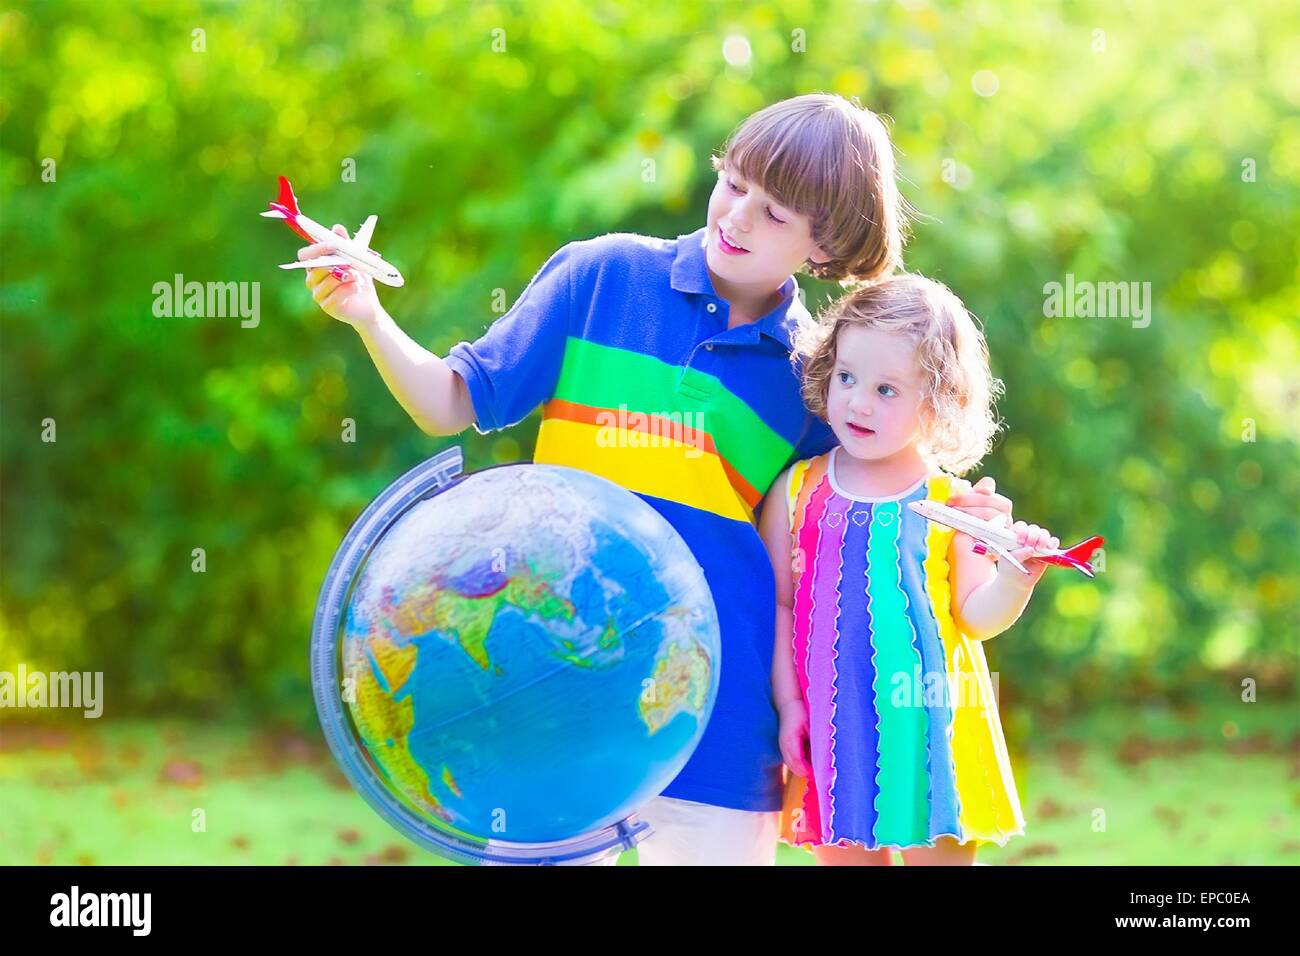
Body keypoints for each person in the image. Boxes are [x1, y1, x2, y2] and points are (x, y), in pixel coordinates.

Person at [299, 94, 1017, 865]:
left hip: (724, 719)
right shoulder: (600, 278)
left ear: (824, 245)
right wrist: (369, 316)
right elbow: (452, 400)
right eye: (734, 183)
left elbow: (863, 501)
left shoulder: (812, 376)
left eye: (774, 213)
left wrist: (970, 514)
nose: (738, 216)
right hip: (553, 687)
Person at [762, 273, 1056, 865]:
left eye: (887, 389)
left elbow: (977, 616)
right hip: (833, 724)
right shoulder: (797, 489)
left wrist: (1017, 578)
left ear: (938, 400)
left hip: (933, 728)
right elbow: (781, 605)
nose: (858, 401)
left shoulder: (951, 503)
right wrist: (791, 705)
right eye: (847, 377)